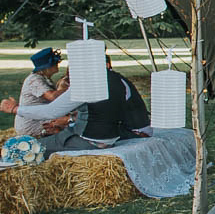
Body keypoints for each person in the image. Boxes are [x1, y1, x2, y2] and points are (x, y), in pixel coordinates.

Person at [1, 57, 151, 152]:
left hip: (100, 139)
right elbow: (102, 112)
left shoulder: (86, 84)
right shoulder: (118, 79)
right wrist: (70, 121)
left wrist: (14, 109)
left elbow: (51, 112)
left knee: (28, 149)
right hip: (116, 133)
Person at [15, 48, 71, 139]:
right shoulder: (34, 80)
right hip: (32, 123)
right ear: (47, 67)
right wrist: (71, 89)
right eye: (55, 63)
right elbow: (52, 96)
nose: (57, 65)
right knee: (69, 123)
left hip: (40, 116)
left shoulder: (44, 79)